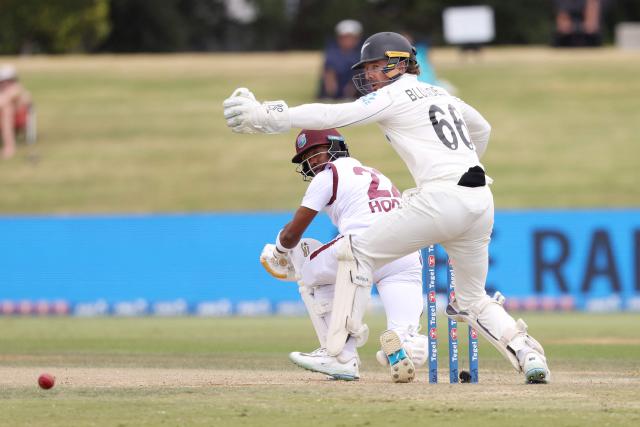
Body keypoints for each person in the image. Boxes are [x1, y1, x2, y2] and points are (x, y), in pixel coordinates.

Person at [223, 32, 551, 384]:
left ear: (397, 64)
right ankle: (529, 353)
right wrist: (462, 164)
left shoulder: (395, 95)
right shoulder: (441, 93)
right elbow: (482, 129)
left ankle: (339, 356)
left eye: (376, 68)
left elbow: (334, 113)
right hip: (480, 200)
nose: (370, 77)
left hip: (441, 199)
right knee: (471, 299)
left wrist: (266, 115)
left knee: (354, 254)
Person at [259, 128, 427, 382]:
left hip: (364, 245)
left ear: (336, 146)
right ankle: (409, 345)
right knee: (403, 328)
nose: (312, 160)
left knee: (308, 266)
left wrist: (280, 250)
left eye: (316, 151)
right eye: (307, 156)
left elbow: (293, 234)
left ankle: (340, 357)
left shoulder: (328, 176)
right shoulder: (373, 172)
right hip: (405, 251)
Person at [318, 19, 363, 100]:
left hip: (354, 95)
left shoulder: (361, 55)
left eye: (351, 38)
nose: (348, 41)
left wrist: (350, 94)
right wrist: (332, 94)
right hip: (332, 95)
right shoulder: (332, 54)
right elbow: (329, 78)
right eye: (345, 37)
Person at [0, 65, 31, 159]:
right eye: (3, 81)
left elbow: (26, 99)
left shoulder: (17, 89)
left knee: (7, 109)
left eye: (8, 80)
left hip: (14, 117)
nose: (5, 83)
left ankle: (10, 147)